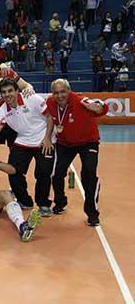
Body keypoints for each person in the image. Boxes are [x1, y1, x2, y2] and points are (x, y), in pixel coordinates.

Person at [44, 79, 108, 226]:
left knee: (89, 173)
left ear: (69, 91)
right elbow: (50, 118)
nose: (60, 96)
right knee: (56, 173)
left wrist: (99, 106)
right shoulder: (50, 102)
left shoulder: (80, 101)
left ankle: (92, 212)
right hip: (65, 143)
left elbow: (99, 106)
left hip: (88, 141)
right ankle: (60, 202)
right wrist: (47, 137)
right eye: (56, 92)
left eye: (63, 92)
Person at [0, 78, 55, 215]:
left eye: (10, 91)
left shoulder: (32, 98)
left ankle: (43, 204)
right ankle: (25, 201)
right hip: (23, 140)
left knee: (43, 172)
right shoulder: (2, 110)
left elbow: (50, 116)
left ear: (17, 91)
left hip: (43, 139)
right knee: (13, 171)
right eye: (4, 92)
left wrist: (47, 138)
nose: (7, 95)